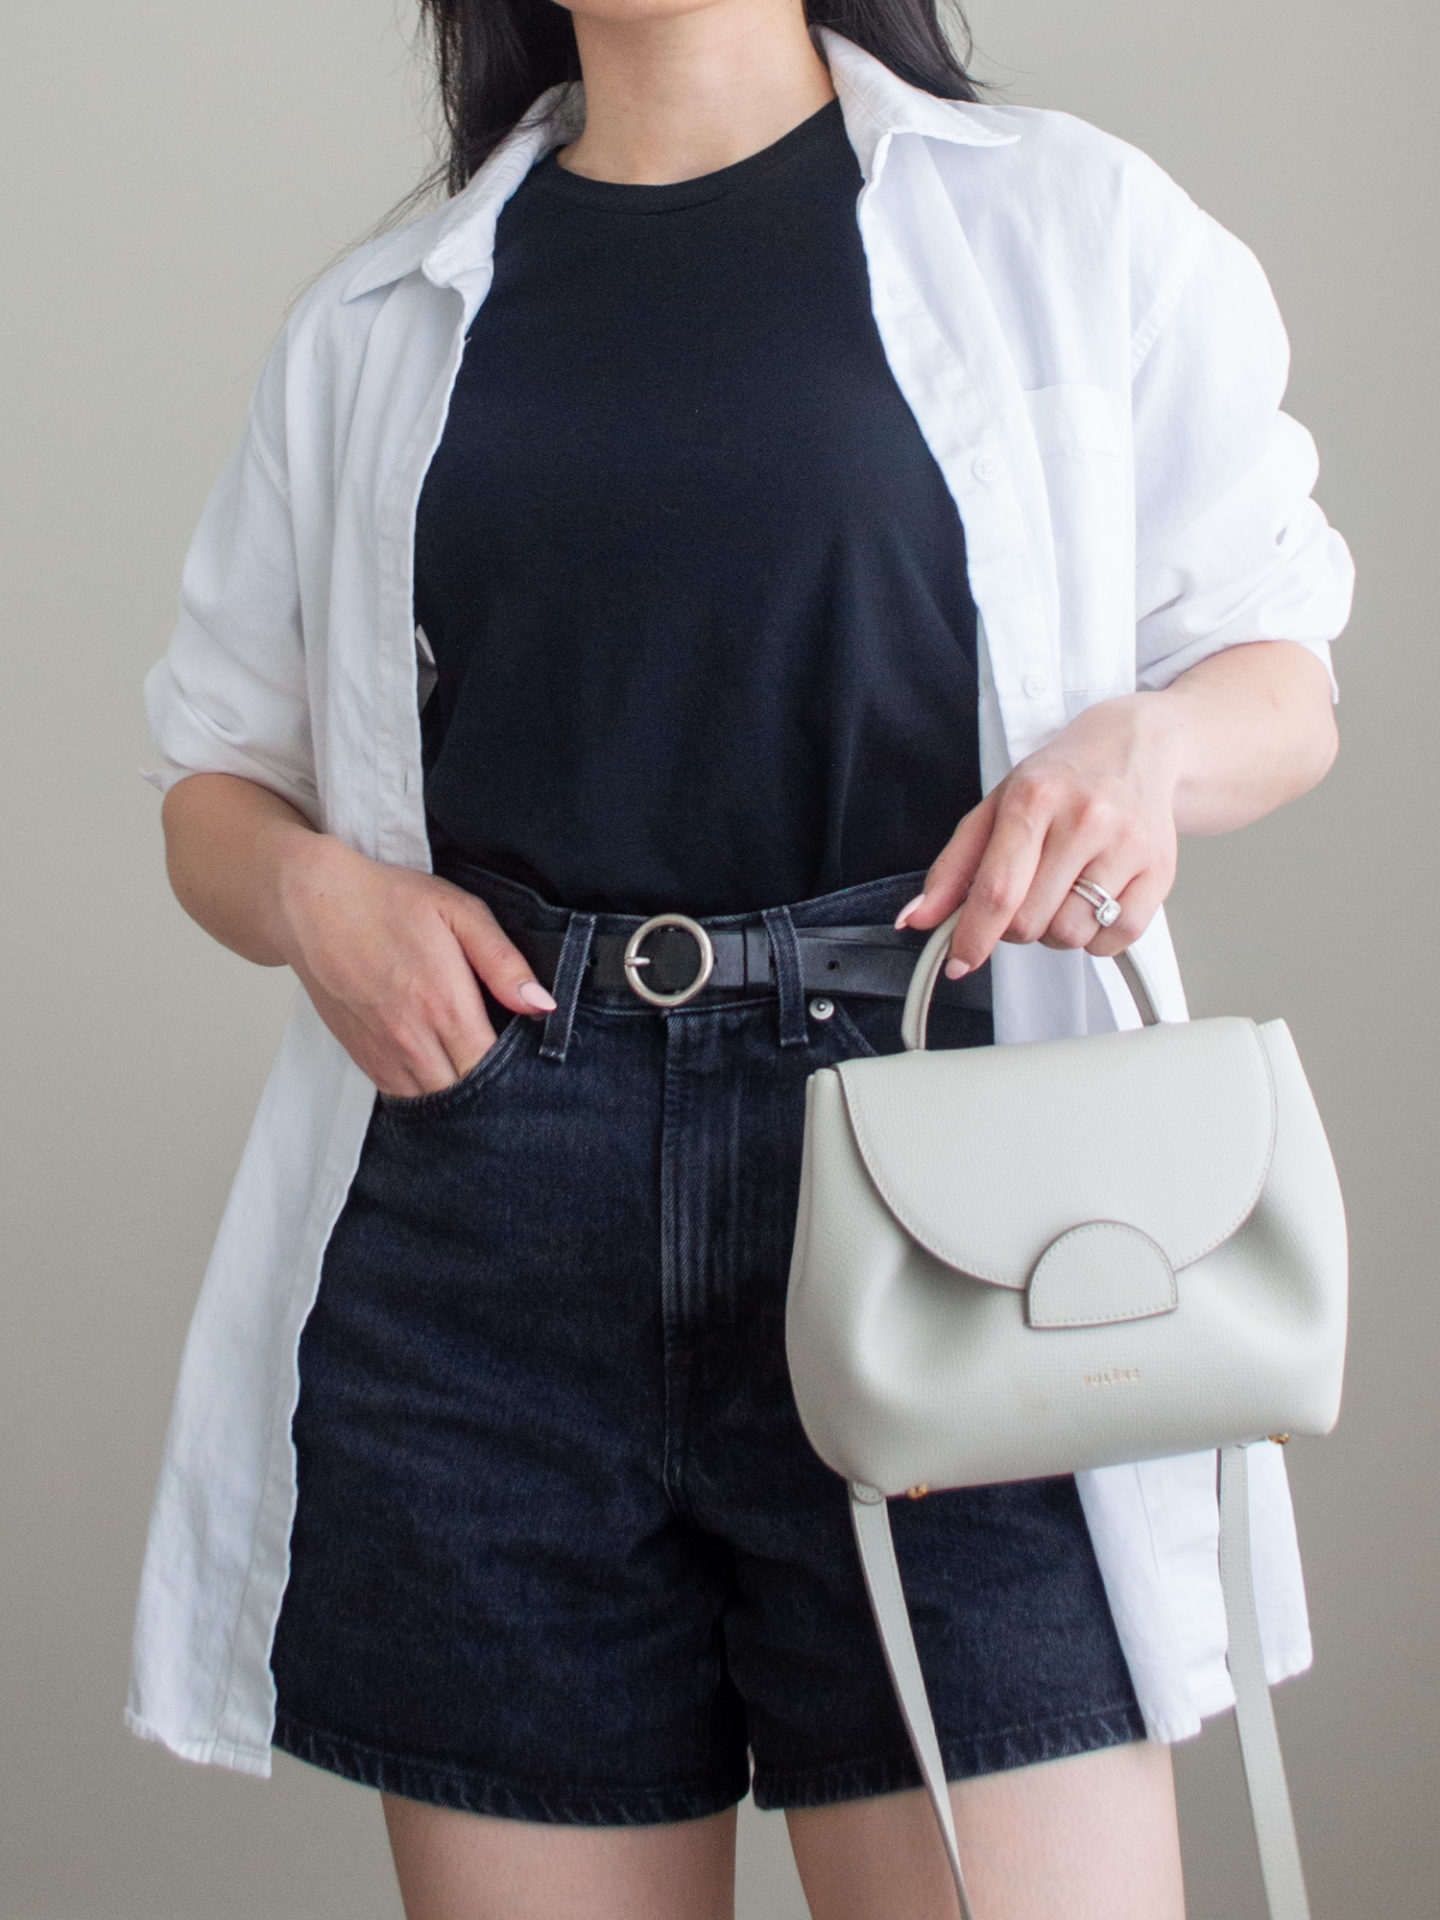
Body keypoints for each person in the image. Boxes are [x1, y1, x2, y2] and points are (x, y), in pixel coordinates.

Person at [128, 0, 1354, 1913]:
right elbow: (218, 779)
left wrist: (1153, 751)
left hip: (958, 1202)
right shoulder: (378, 321)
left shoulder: (1070, 223)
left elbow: (1282, 676)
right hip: (488, 1235)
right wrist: (311, 901)